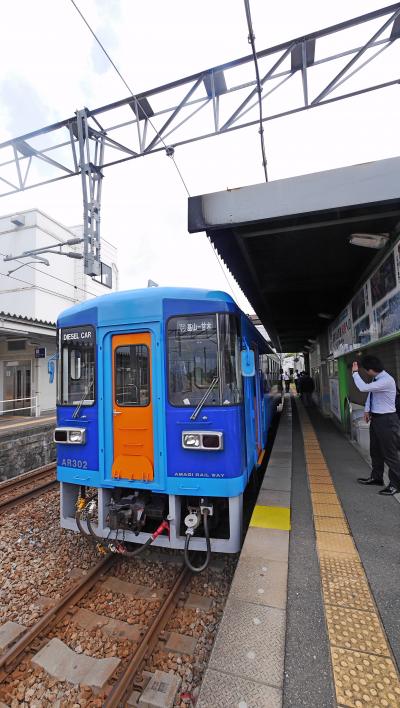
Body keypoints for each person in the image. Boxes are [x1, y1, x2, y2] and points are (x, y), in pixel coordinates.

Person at [352, 356, 400, 496]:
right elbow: (371, 395)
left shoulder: (386, 380)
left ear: (371, 370)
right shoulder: (377, 378)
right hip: (377, 418)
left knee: (390, 454)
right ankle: (377, 477)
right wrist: (367, 410)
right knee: (376, 451)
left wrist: (355, 373)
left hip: (387, 420)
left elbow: (363, 388)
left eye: (366, 371)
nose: (366, 373)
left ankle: (395, 484)